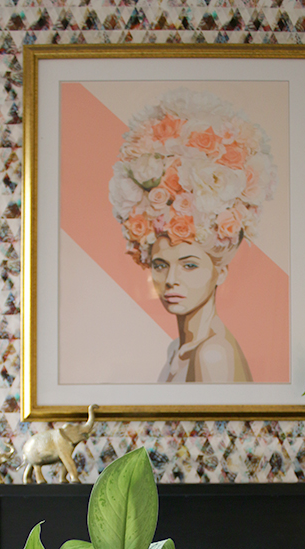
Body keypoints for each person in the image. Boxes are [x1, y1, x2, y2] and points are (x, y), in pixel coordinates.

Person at [109, 88, 276, 383]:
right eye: (161, 265)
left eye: (189, 265)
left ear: (221, 271)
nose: (171, 279)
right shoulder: (180, 349)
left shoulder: (213, 354)